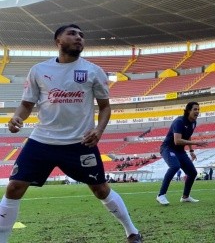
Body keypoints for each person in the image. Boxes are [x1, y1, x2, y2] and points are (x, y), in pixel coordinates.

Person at [0, 24, 142, 243]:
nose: (79, 38)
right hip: (42, 141)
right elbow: (27, 104)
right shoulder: (39, 70)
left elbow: (105, 107)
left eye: (82, 35)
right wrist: (18, 117)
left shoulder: (94, 71)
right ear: (58, 41)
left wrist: (99, 130)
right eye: (72, 34)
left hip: (79, 143)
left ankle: (132, 232)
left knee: (101, 189)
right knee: (14, 187)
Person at [156, 101, 208, 205]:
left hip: (180, 151)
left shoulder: (193, 122)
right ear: (188, 110)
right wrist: (196, 143)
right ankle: (161, 195)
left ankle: (185, 197)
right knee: (175, 166)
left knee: (192, 173)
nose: (197, 111)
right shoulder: (179, 121)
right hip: (168, 148)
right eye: (195, 109)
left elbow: (188, 135)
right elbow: (177, 140)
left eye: (198, 109)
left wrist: (191, 150)